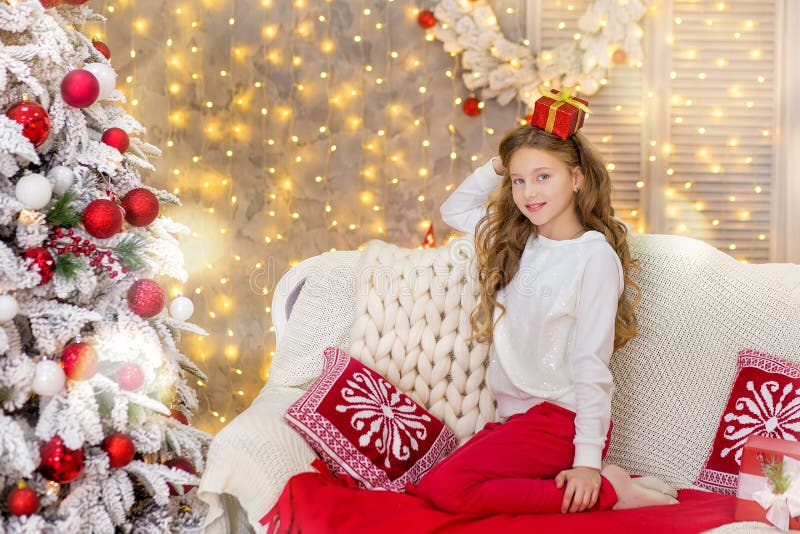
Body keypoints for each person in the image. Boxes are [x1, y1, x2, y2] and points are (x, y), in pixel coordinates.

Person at [406, 100, 679, 517]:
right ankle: (604, 481)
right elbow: (453, 210)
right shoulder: (521, 240)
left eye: (543, 176)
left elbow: (592, 365)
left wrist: (586, 462)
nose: (529, 193)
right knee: (427, 485)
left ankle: (605, 490)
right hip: (516, 421)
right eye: (518, 180)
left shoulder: (594, 258)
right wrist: (502, 162)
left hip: (559, 423)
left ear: (576, 178)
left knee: (448, 489)